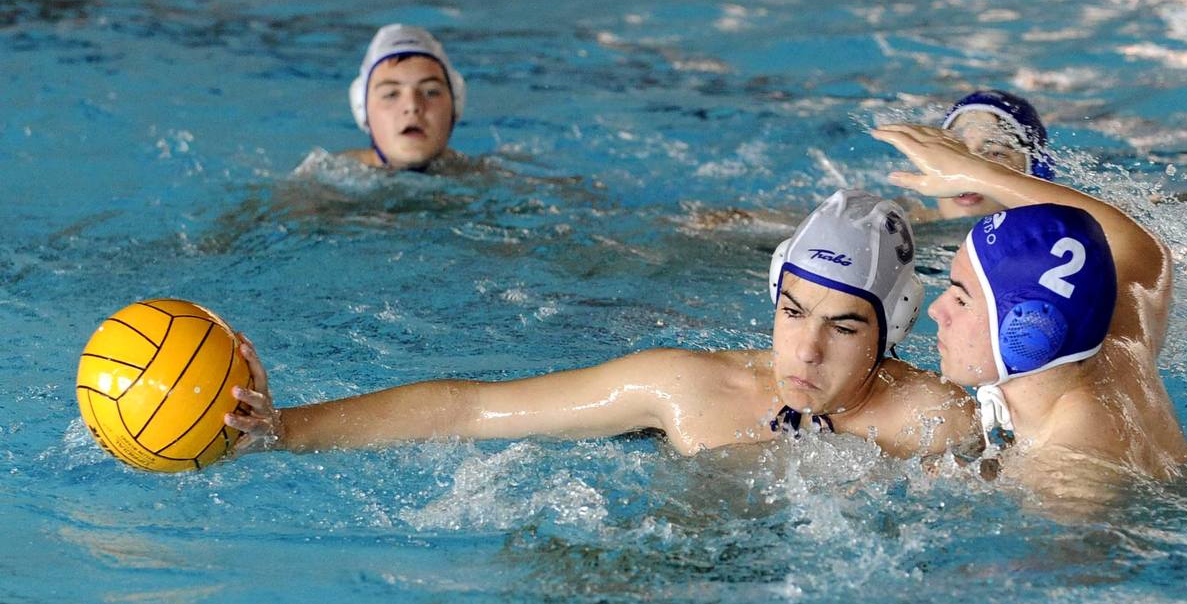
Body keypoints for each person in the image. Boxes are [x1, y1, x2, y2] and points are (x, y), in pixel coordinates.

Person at [226, 190, 980, 460]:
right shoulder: (685, 388)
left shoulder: (938, 424)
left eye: (844, 328)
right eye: (791, 313)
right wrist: (287, 427)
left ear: (893, 330)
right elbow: (471, 408)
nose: (805, 349)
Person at [871, 122, 1187, 502]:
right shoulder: (1119, 347)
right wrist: (978, 173)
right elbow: (1138, 245)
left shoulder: (1068, 476)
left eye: (961, 298)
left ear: (1026, 332)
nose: (937, 310)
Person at [910, 89, 1055, 222]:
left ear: (1035, 174)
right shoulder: (903, 225)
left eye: (995, 153)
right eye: (956, 149)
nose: (966, 166)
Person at [339, 24, 467, 172]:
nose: (412, 106)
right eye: (391, 94)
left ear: (455, 105)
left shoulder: (485, 177)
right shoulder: (327, 182)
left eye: (431, 92)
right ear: (362, 110)